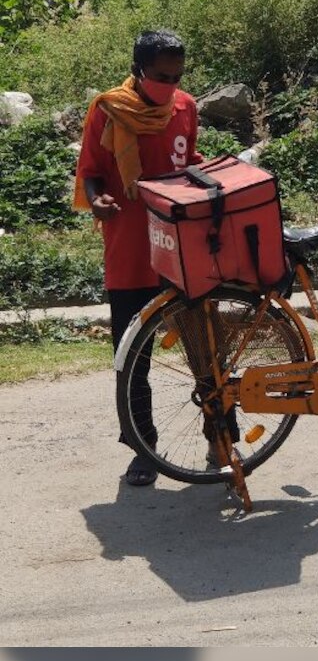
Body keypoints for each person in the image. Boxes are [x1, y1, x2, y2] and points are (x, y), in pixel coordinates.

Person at [73, 30, 203, 487]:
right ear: (138, 69)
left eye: (177, 75)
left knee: (204, 352)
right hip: (130, 250)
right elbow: (89, 172)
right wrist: (98, 200)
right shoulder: (109, 109)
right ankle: (142, 449)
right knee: (133, 362)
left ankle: (218, 438)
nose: (169, 84)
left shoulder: (185, 107)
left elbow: (188, 159)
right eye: (160, 76)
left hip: (179, 248)